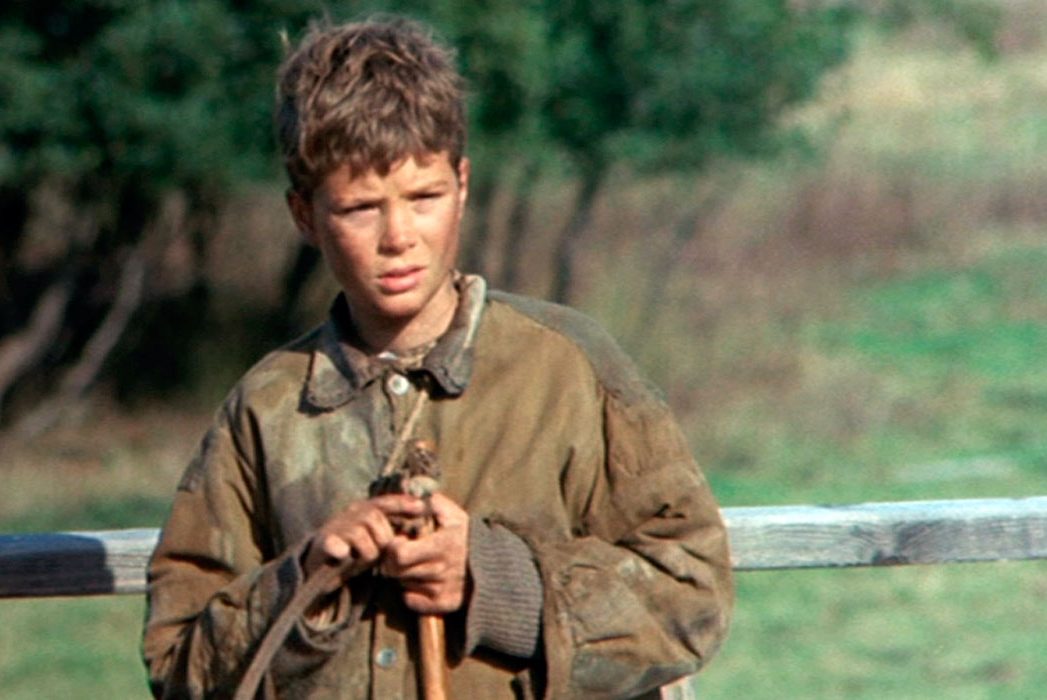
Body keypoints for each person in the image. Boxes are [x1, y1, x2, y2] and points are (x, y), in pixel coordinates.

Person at [142, 16, 733, 700]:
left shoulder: (572, 372)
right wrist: (305, 582)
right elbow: (176, 665)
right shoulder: (267, 411)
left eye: (423, 198)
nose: (398, 237)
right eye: (360, 209)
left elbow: (693, 595)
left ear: (462, 184)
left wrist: (498, 582)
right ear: (305, 216)